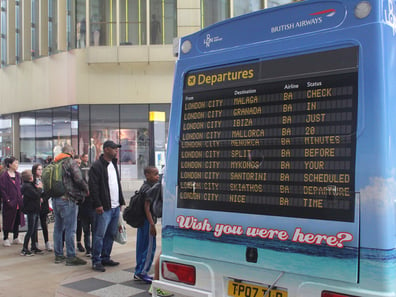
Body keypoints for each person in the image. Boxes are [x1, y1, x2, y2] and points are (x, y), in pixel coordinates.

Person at [89, 140, 126, 272]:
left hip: (115, 206)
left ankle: (106, 257)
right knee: (99, 234)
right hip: (104, 207)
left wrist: (121, 202)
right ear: (106, 150)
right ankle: (96, 260)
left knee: (110, 233)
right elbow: (93, 187)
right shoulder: (97, 166)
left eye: (116, 148)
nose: (116, 150)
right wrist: (98, 204)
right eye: (114, 148)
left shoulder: (113, 164)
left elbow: (116, 185)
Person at [52, 144, 89, 266]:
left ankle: (58, 255)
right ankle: (71, 256)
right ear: (71, 152)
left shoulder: (55, 163)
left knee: (58, 227)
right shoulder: (70, 162)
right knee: (70, 229)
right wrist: (86, 189)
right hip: (68, 199)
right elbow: (78, 178)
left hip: (56, 199)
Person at [134, 166, 160, 283]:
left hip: (142, 221)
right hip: (148, 222)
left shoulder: (144, 186)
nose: (157, 176)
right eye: (155, 174)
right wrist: (152, 225)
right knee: (149, 248)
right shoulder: (149, 188)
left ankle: (138, 271)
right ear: (147, 175)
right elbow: (147, 207)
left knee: (141, 246)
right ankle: (143, 272)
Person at [0, 157, 25, 247]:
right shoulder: (4, 176)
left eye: (18, 163)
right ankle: (6, 238)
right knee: (8, 219)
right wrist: (7, 200)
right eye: (15, 163)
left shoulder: (18, 175)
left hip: (18, 201)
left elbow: (21, 186)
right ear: (10, 164)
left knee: (17, 219)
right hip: (9, 202)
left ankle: (16, 237)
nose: (17, 165)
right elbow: (2, 190)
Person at [21, 169, 43, 256]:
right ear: (30, 177)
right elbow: (36, 195)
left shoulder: (30, 185)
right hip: (31, 210)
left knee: (34, 229)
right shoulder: (27, 187)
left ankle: (34, 246)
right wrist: (40, 188)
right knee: (30, 229)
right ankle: (24, 248)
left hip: (35, 209)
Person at [32, 163, 53, 251]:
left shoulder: (44, 180)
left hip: (43, 205)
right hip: (35, 205)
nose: (40, 171)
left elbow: (48, 192)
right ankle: (35, 243)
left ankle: (47, 242)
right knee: (34, 225)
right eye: (38, 169)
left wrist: (43, 199)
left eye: (41, 169)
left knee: (44, 224)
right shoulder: (32, 181)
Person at [74, 155, 85, 253]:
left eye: (79, 163)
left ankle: (78, 242)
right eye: (76, 163)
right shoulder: (69, 173)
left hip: (80, 201)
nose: (78, 165)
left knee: (79, 223)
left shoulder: (82, 173)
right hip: (72, 201)